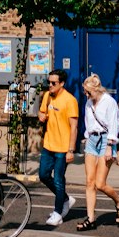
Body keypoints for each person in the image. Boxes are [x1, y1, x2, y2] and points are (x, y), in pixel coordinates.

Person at [77, 74, 119, 231]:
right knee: (89, 182)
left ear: (96, 89)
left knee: (100, 184)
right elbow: (88, 122)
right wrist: (87, 137)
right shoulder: (88, 103)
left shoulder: (109, 102)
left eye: (88, 92)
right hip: (92, 140)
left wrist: (109, 146)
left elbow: (114, 124)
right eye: (85, 92)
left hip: (106, 140)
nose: (86, 95)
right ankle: (91, 219)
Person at [37, 68, 79, 227]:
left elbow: (74, 127)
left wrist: (70, 150)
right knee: (43, 175)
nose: (50, 85)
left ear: (62, 83)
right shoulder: (47, 96)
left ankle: (58, 212)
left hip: (63, 148)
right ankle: (66, 199)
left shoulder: (70, 100)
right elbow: (42, 113)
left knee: (58, 180)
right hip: (48, 144)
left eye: (53, 83)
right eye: (49, 82)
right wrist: (41, 116)